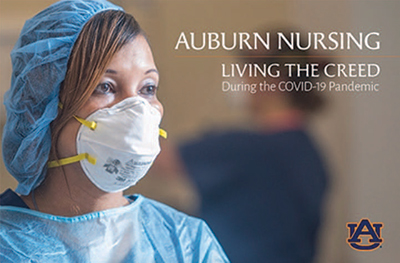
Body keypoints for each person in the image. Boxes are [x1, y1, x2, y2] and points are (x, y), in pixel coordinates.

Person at [0, 1, 229, 262]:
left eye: (147, 89)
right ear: (42, 105)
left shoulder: (186, 242)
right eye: (105, 87)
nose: (136, 110)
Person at [156, 29, 329, 262]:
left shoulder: (246, 150)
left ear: (272, 81)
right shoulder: (309, 152)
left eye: (246, 70)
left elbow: (150, 156)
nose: (241, 80)